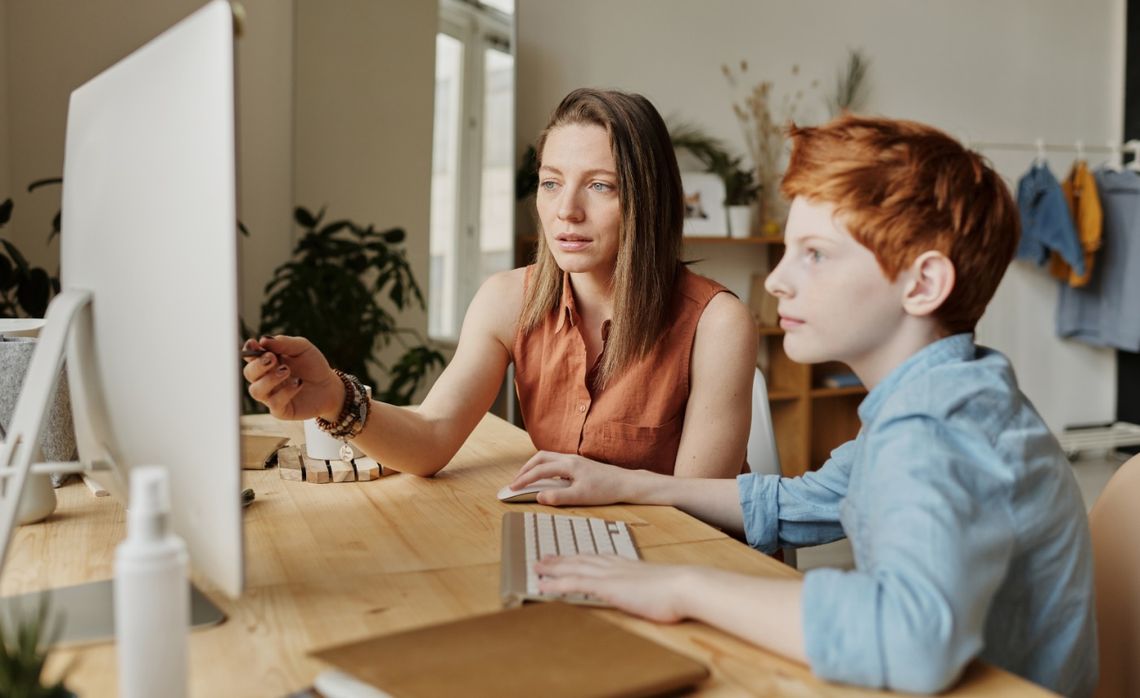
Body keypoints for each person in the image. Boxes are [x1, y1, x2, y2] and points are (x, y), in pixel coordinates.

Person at [511, 115, 1098, 696]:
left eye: (814, 254)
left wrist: (682, 587)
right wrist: (627, 483)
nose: (776, 281)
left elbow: (909, 639)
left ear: (922, 285)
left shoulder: (935, 427)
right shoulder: (948, 393)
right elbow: (800, 500)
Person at [242, 87, 757, 479]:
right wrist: (334, 397)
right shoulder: (508, 299)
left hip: (685, 566)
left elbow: (699, 512)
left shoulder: (717, 323)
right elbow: (431, 438)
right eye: (551, 182)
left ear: (649, 201)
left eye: (600, 186)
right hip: (580, 547)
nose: (566, 211)